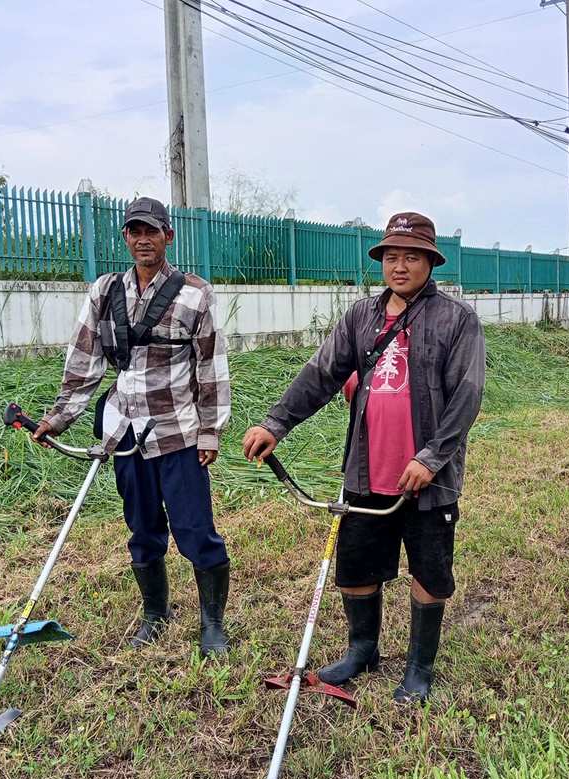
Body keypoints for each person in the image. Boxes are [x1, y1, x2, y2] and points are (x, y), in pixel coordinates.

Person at [243, 211, 485, 704]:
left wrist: (433, 457)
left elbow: (467, 394)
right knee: (355, 569)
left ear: (430, 262)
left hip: (426, 477)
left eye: (412, 256)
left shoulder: (457, 320)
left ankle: (419, 666)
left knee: (430, 572)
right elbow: (321, 374)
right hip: (365, 467)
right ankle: (362, 650)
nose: (400, 266)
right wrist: (275, 423)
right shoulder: (361, 317)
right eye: (391, 256)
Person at [32, 196, 233, 658]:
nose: (144, 239)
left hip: (178, 430)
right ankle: (155, 614)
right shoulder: (105, 291)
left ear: (169, 235)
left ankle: (212, 624)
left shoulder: (195, 292)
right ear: (125, 237)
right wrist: (58, 418)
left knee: (195, 529)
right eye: (135, 232)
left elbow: (212, 366)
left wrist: (210, 431)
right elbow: (84, 361)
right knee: (142, 527)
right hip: (124, 431)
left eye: (153, 231)